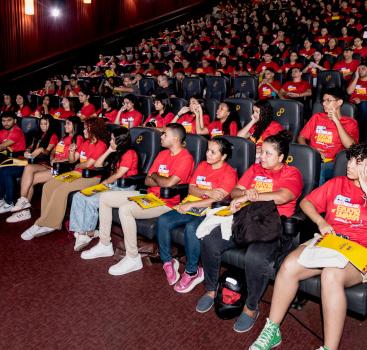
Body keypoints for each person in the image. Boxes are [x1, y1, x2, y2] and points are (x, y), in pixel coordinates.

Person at [248, 143, 367, 350]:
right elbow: (307, 202)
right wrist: (321, 222)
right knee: (288, 266)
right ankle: (272, 329)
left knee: (331, 276)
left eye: (357, 161)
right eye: (350, 160)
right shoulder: (336, 183)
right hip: (329, 243)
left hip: (362, 253)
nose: (350, 164)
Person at [197, 130, 304, 333]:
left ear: (281, 157)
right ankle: (211, 291)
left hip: (271, 226)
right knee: (210, 240)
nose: (261, 157)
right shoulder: (255, 169)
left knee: (255, 257)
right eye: (261, 152)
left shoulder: (292, 173)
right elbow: (235, 191)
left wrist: (252, 196)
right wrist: (246, 193)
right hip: (244, 221)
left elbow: (282, 197)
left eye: (267, 154)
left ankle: (251, 307)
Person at [82, 124, 195, 276]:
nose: (160, 137)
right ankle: (104, 243)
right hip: (150, 196)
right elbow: (148, 180)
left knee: (125, 209)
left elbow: (168, 184)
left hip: (166, 203)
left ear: (175, 138)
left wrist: (156, 176)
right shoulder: (162, 154)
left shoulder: (185, 158)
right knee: (105, 197)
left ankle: (132, 257)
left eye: (164, 134)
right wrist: (157, 178)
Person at [155, 138, 238, 293]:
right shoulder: (202, 165)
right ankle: (167, 262)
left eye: (213, 152)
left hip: (210, 211)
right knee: (163, 220)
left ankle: (193, 271)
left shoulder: (230, 173)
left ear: (224, 155)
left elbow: (217, 200)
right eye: (208, 150)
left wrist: (192, 204)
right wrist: (207, 192)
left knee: (192, 227)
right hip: (191, 205)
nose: (208, 154)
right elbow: (191, 189)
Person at [21, 117, 110, 240]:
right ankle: (47, 220)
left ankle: (44, 223)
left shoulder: (101, 145)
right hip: (77, 173)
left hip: (90, 177)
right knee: (48, 186)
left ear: (94, 130)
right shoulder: (85, 143)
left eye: (86, 128)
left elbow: (88, 165)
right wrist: (72, 151)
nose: (83, 131)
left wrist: (77, 165)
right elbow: (73, 160)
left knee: (60, 190)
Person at [0, 116, 83, 221]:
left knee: (31, 180)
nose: (65, 126)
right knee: (28, 168)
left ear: (75, 125)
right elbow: (53, 151)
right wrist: (53, 157)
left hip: (63, 168)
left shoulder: (78, 138)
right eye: (65, 123)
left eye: (68, 124)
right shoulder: (64, 137)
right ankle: (23, 201)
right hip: (52, 165)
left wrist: (60, 160)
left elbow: (74, 159)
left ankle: (24, 210)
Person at [69, 131, 139, 251]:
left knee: (92, 200)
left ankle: (86, 234)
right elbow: (97, 164)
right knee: (79, 196)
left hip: (124, 187)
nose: (110, 141)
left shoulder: (129, 153)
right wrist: (109, 151)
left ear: (120, 141)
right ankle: (84, 232)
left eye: (112, 139)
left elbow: (119, 175)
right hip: (112, 184)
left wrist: (104, 184)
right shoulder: (116, 152)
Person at [0, 114, 58, 215]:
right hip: (30, 162)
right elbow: (31, 147)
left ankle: (10, 202)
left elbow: (48, 152)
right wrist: (27, 150)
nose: (43, 126)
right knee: (2, 170)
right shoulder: (39, 135)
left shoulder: (53, 136)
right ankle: (0, 199)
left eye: (45, 124)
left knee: (8, 172)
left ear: (50, 124)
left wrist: (41, 149)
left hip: (42, 164)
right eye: (41, 124)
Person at [297, 87, 359, 186]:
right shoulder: (317, 117)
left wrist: (337, 122)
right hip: (311, 157)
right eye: (323, 101)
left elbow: (350, 146)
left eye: (328, 101)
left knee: (317, 169)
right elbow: (301, 138)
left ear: (339, 102)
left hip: (333, 162)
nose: (323, 104)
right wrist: (312, 151)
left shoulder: (350, 123)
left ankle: (319, 200)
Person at [346, 64, 367, 134]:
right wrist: (356, 78)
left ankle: (363, 132)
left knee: (363, 104)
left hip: (366, 106)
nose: (360, 71)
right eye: (359, 69)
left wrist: (361, 100)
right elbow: (349, 92)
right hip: (353, 105)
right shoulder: (353, 81)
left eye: (363, 69)